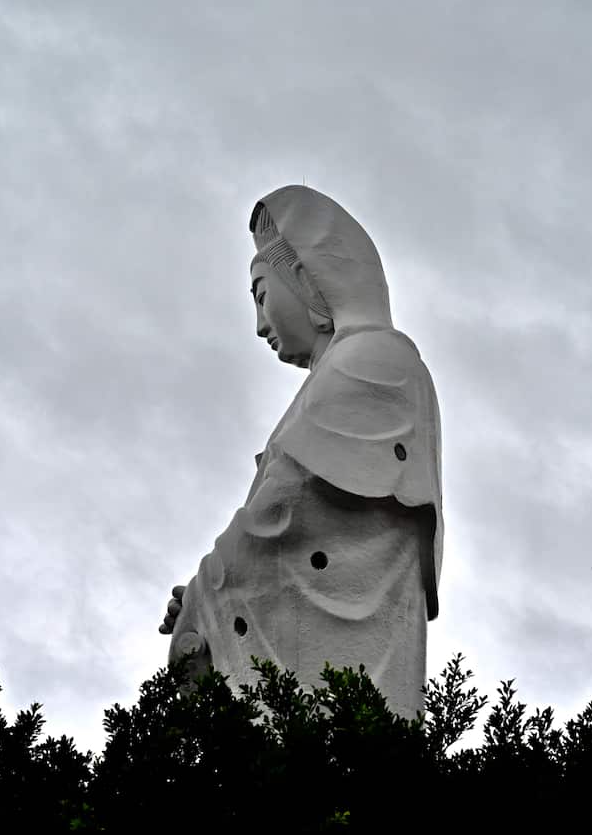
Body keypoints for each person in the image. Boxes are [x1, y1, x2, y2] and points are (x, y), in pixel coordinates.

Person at [158, 185, 444, 718]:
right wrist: (209, 592)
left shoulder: (375, 358)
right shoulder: (332, 378)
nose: (261, 325)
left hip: (349, 670)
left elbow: (287, 514)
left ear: (306, 280)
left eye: (262, 296)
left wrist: (208, 590)